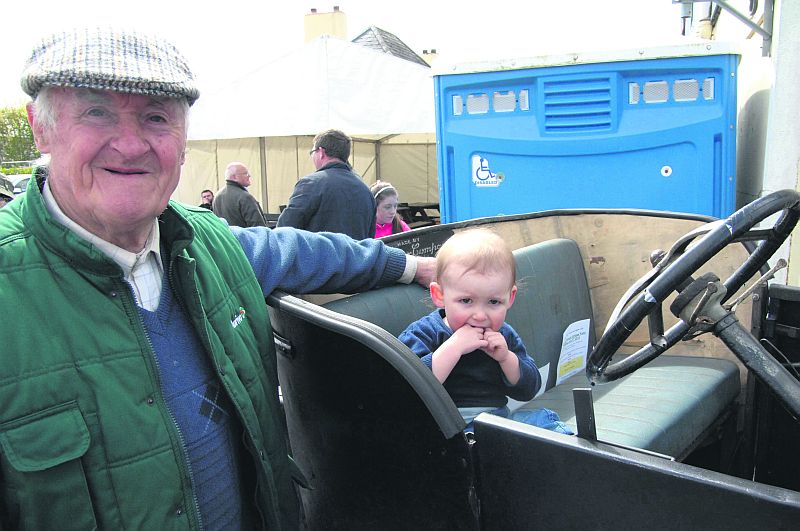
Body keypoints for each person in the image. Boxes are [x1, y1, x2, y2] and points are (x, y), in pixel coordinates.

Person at [0, 28, 434, 531]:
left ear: (184, 141)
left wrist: (413, 266)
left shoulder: (210, 244)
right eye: (96, 112)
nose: (130, 143)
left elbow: (302, 251)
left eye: (156, 117)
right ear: (41, 128)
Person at [399, 228, 571, 434]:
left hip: (495, 422)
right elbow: (407, 390)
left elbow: (529, 389)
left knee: (544, 423)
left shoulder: (503, 336)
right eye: (466, 301)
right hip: (443, 430)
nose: (480, 315)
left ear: (510, 298)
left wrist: (506, 358)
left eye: (493, 302)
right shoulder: (423, 334)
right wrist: (453, 348)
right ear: (439, 295)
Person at [277, 129, 376, 239]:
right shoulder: (366, 191)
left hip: (317, 256)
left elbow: (284, 231)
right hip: (357, 256)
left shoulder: (310, 184)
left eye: (312, 152)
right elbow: (370, 238)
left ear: (321, 152)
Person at [212, 162, 266, 227]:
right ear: (234, 177)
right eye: (245, 173)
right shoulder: (245, 197)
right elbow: (259, 228)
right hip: (244, 236)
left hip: (225, 236)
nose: (249, 175)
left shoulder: (217, 196)